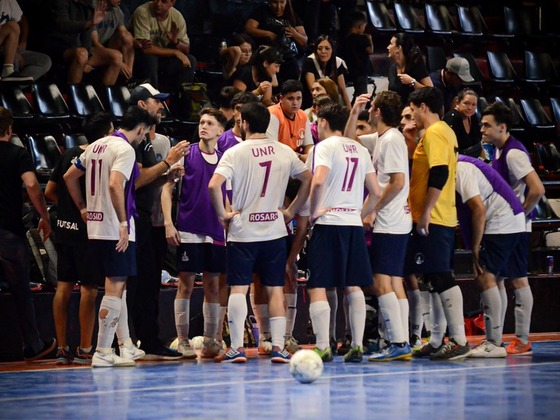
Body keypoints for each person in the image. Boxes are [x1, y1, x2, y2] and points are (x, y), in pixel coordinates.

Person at [209, 101, 311, 363]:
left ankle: (236, 349)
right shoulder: (284, 151)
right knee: (276, 288)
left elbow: (214, 185)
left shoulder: (235, 152)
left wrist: (222, 215)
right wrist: (290, 211)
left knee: (239, 289)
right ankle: (278, 346)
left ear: (244, 123)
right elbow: (308, 178)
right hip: (275, 230)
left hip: (244, 231)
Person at [63, 106, 153, 368]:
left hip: (96, 226)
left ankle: (124, 346)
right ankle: (102, 350)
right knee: (114, 287)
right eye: (144, 133)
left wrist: (82, 207)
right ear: (139, 129)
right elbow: (116, 184)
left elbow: (70, 177)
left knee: (116, 284)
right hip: (115, 226)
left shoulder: (94, 146)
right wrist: (124, 223)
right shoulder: (125, 149)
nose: (143, 138)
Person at [306, 102, 381, 363]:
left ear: (323, 123)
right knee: (353, 286)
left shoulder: (323, 147)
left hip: (328, 223)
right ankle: (357, 345)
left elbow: (318, 181)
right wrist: (358, 214)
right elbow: (377, 191)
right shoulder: (360, 149)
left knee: (317, 286)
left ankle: (323, 345)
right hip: (351, 224)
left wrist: (315, 211)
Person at [347, 91, 413, 362]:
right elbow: (348, 139)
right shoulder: (383, 138)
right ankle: (402, 340)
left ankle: (398, 341)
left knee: (380, 281)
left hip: (391, 221)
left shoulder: (392, 141)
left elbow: (397, 182)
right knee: (394, 281)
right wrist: (354, 111)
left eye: (370, 109)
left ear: (377, 112)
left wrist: (373, 209)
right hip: (396, 220)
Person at [406, 87, 470, 361]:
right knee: (432, 277)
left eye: (412, 110)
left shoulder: (435, 133)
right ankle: (435, 339)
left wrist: (426, 212)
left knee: (441, 275)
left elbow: (441, 172)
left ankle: (458, 339)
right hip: (436, 215)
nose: (411, 116)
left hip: (436, 217)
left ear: (422, 106)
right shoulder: (439, 132)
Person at [46, 113, 114, 365]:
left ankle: (62, 347)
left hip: (64, 229)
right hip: (89, 231)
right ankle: (85, 347)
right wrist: (82, 209)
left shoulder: (68, 155)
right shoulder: (101, 157)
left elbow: (50, 191)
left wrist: (68, 209)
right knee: (88, 289)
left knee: (63, 286)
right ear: (107, 134)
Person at [127, 82, 189, 360]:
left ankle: (149, 339)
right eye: (156, 102)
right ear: (142, 105)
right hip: (135, 221)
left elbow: (149, 178)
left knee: (150, 284)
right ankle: (130, 341)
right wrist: (167, 163)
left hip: (149, 224)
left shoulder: (148, 139)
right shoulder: (133, 139)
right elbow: (138, 180)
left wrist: (168, 176)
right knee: (136, 285)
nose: (161, 106)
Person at [162, 108, 228, 359]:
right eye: (201, 122)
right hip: (189, 229)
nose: (204, 126)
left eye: (210, 123)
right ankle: (182, 340)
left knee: (212, 285)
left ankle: (211, 340)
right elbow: (167, 189)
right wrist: (169, 223)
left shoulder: (225, 158)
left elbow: (228, 195)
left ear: (220, 131)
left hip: (216, 230)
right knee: (186, 284)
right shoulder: (186, 153)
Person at [481, 102, 545, 355]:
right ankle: (505, 336)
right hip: (507, 225)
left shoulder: (514, 154)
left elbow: (537, 189)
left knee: (516, 279)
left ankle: (522, 338)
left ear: (502, 127)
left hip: (514, 227)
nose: (482, 129)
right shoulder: (497, 151)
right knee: (501, 278)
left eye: (487, 125)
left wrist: (520, 214)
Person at [455, 154, 526, 358]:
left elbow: (478, 208)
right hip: (512, 219)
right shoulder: (463, 164)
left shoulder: (461, 169)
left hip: (502, 221)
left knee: (484, 276)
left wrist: (475, 247)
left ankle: (493, 342)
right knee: (498, 279)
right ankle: (497, 339)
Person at [0, 107, 56, 362]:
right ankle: (33, 345)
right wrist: (44, 217)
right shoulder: (18, 153)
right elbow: (32, 184)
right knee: (20, 289)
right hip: (8, 232)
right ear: (10, 129)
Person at [41, 0, 123, 85]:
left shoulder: (86, 4)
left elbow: (86, 35)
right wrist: (89, 23)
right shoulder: (60, 2)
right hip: (57, 46)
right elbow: (63, 25)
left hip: (77, 47)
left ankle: (103, 96)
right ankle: (73, 95)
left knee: (116, 56)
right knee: (82, 54)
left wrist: (88, 57)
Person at [131, 0, 197, 92]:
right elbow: (146, 49)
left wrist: (175, 42)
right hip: (139, 58)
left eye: (164, 1)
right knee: (150, 58)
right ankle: (153, 97)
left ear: (172, 3)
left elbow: (186, 49)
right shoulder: (142, 12)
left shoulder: (177, 16)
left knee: (190, 60)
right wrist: (175, 52)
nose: (158, 4)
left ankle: (182, 100)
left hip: (163, 60)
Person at [244, 0, 308, 82]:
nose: (278, 6)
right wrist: (268, 34)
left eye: (282, 2)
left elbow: (304, 40)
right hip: (267, 56)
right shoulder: (262, 10)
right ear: (269, 2)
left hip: (287, 57)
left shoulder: (291, 14)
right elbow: (249, 28)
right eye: (275, 2)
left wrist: (295, 34)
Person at [0, 0, 48, 82]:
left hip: (10, 47)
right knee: (13, 26)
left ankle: (16, 85)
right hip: (4, 48)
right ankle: (7, 71)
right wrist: (12, 53)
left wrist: (23, 41)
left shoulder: (8, 1)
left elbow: (23, 20)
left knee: (44, 61)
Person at [267, 79, 313, 161]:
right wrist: (299, 157)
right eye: (291, 99)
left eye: (298, 98)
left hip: (297, 160)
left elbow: (309, 146)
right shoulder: (272, 114)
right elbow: (272, 149)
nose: (295, 103)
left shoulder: (303, 115)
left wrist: (310, 157)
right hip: (278, 160)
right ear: (281, 98)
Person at [301, 35, 351, 109]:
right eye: (319, 49)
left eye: (327, 48)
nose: (323, 51)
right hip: (311, 104)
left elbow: (343, 91)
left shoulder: (337, 62)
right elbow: (313, 91)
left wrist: (351, 111)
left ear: (332, 50)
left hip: (331, 104)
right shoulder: (310, 61)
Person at [92, 0, 135, 81]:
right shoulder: (94, 8)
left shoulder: (117, 9)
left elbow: (123, 32)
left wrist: (138, 43)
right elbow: (95, 42)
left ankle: (128, 77)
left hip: (107, 44)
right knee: (116, 56)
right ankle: (105, 91)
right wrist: (120, 63)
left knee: (127, 36)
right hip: (92, 47)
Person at [387, 33, 433, 107]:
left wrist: (412, 82)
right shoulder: (392, 68)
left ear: (398, 48)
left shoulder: (416, 65)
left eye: (391, 44)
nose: (388, 47)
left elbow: (431, 91)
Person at [339, 11, 373, 104]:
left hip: (350, 70)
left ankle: (354, 105)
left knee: (358, 92)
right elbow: (370, 50)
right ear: (360, 26)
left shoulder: (345, 39)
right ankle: (360, 110)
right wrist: (370, 39)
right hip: (361, 72)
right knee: (362, 94)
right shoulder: (362, 39)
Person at [443, 89, 482, 158]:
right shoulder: (452, 118)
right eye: (466, 103)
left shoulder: (473, 116)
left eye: (473, 105)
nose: (470, 108)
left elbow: (478, 143)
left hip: (473, 158)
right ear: (457, 103)